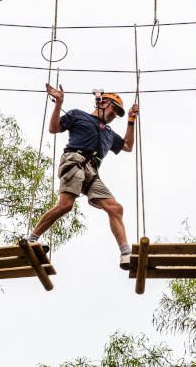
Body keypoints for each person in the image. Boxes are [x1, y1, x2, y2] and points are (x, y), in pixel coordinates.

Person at [22, 84, 139, 269]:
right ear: (101, 103)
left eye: (116, 113)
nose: (113, 114)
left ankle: (126, 254)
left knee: (115, 208)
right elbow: (53, 128)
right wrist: (59, 102)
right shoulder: (78, 115)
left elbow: (127, 146)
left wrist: (131, 120)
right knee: (65, 205)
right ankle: (31, 239)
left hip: (92, 171)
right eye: (112, 108)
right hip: (74, 160)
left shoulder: (109, 133)